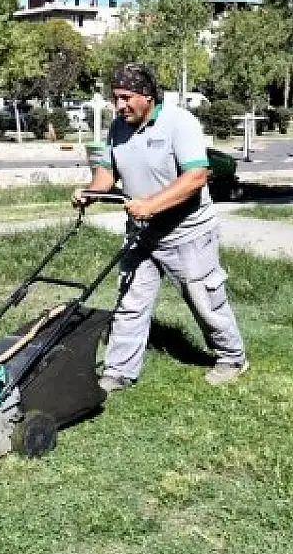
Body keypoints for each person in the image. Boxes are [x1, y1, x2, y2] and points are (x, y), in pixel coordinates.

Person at [72, 63, 248, 392]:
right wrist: (91, 192)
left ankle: (231, 357)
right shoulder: (118, 127)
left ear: (148, 96)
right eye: (115, 98)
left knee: (205, 300)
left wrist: (151, 205)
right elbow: (108, 173)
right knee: (130, 300)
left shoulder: (180, 123)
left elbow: (196, 176)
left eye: (126, 97)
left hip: (188, 232)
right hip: (142, 234)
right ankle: (119, 371)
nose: (120, 105)